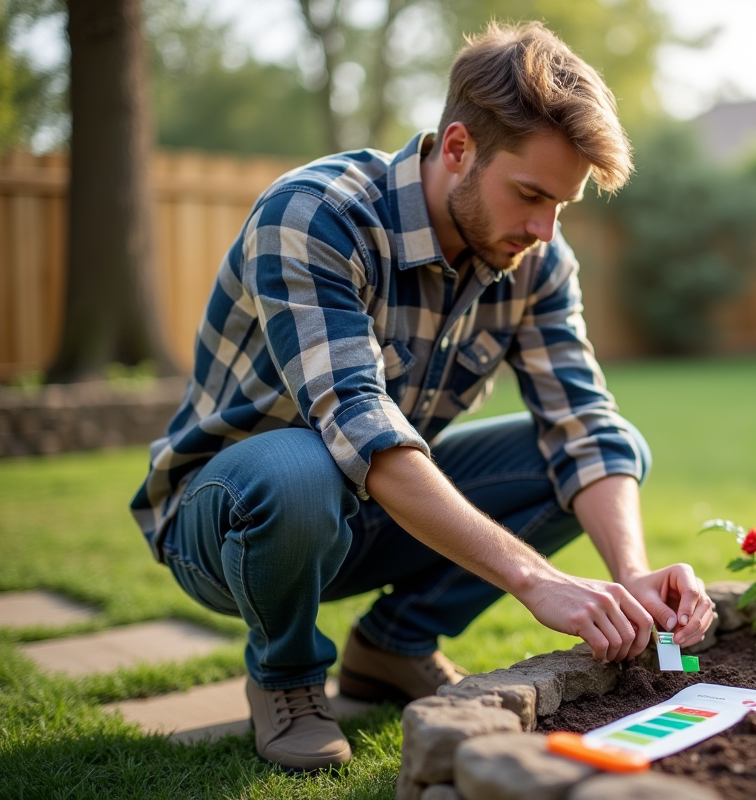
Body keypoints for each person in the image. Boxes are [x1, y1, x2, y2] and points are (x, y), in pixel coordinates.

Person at [130, 21, 714, 773]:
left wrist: (631, 574)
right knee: (303, 469)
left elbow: (584, 426)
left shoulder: (535, 257)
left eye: (561, 207)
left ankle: (393, 646)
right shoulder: (317, 213)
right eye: (531, 194)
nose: (542, 229)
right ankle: (287, 677)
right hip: (232, 523)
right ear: (459, 147)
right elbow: (362, 432)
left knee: (612, 449)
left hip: (371, 514)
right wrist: (537, 580)